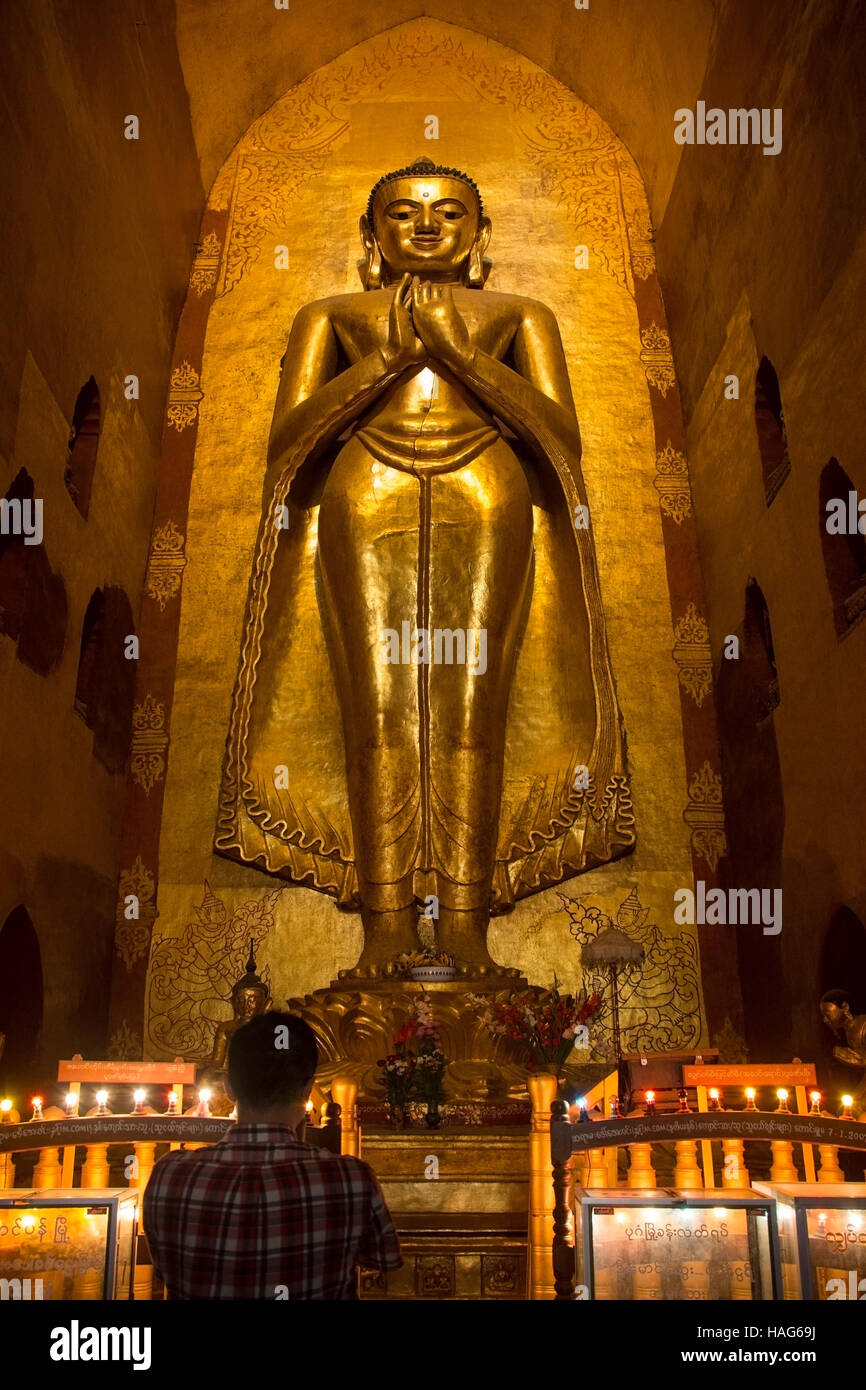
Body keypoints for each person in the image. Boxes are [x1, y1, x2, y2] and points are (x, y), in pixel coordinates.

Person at [143, 1013, 401, 1298]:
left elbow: (161, 1269)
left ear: (228, 1086)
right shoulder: (351, 1179)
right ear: (308, 1089)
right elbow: (383, 1259)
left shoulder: (168, 1176)